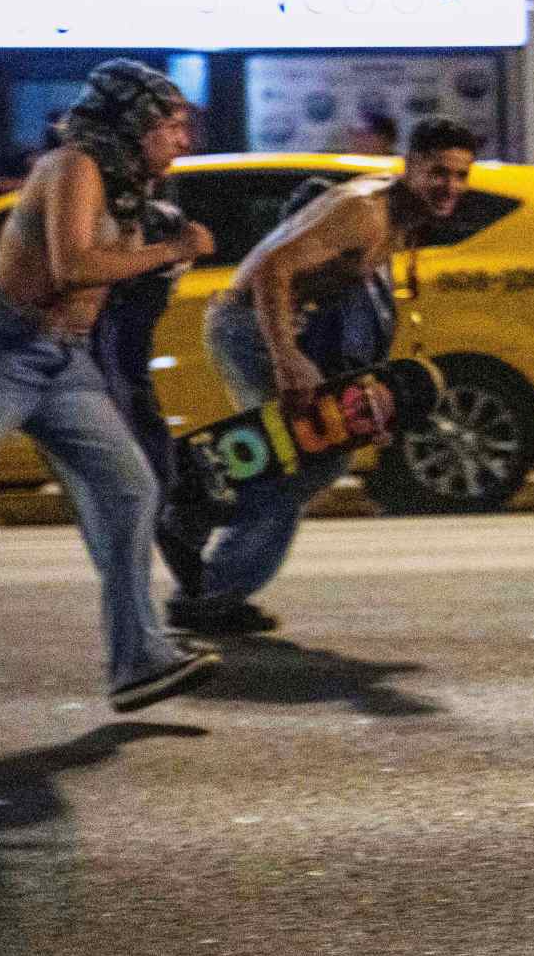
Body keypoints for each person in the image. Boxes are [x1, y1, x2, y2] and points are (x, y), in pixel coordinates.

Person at [0, 60, 220, 711]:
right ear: (133, 124)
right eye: (171, 125)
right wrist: (174, 249)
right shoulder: (73, 167)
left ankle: (139, 662)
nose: (183, 139)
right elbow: (73, 265)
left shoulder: (131, 188)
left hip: (64, 360)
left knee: (131, 491)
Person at [157, 117, 479, 634]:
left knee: (311, 455)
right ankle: (202, 552)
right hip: (251, 328)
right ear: (410, 166)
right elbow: (273, 269)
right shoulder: (365, 212)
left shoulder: (399, 217)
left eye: (461, 175)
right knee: (304, 460)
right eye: (438, 172)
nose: (451, 186)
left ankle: (205, 546)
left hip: (277, 329)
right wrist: (287, 357)